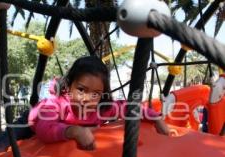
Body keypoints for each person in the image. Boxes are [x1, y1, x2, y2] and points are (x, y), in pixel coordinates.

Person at [28, 56, 170, 150]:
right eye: (81, 89)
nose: (87, 98)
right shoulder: (56, 104)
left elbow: (128, 107)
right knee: (7, 143)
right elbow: (44, 127)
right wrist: (74, 131)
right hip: (34, 121)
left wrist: (155, 118)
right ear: (68, 85)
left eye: (95, 93)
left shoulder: (101, 109)